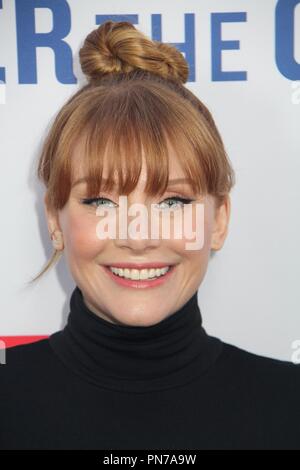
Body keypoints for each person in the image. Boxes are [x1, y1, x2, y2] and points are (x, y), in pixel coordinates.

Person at [0, 20, 299, 450]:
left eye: (172, 203)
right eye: (102, 201)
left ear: (219, 220)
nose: (137, 237)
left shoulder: (291, 406)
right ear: (53, 219)